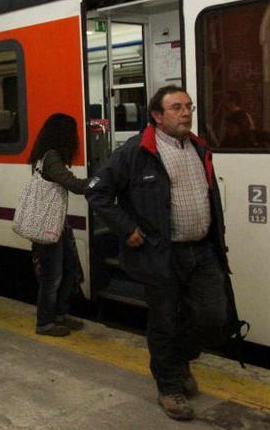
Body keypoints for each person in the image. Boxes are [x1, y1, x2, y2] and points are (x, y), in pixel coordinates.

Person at [85, 85, 229, 421]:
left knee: (214, 317)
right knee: (163, 321)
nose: (186, 113)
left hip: (202, 250)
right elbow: (97, 191)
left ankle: (178, 360)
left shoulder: (198, 147)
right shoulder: (136, 152)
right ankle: (169, 388)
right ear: (157, 116)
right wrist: (127, 228)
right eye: (177, 107)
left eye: (189, 106)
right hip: (161, 254)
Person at [28, 114, 89, 337]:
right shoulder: (51, 157)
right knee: (52, 276)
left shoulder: (47, 156)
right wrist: (99, 181)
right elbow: (72, 184)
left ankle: (61, 315)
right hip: (48, 225)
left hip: (57, 223)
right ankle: (45, 322)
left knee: (70, 269)